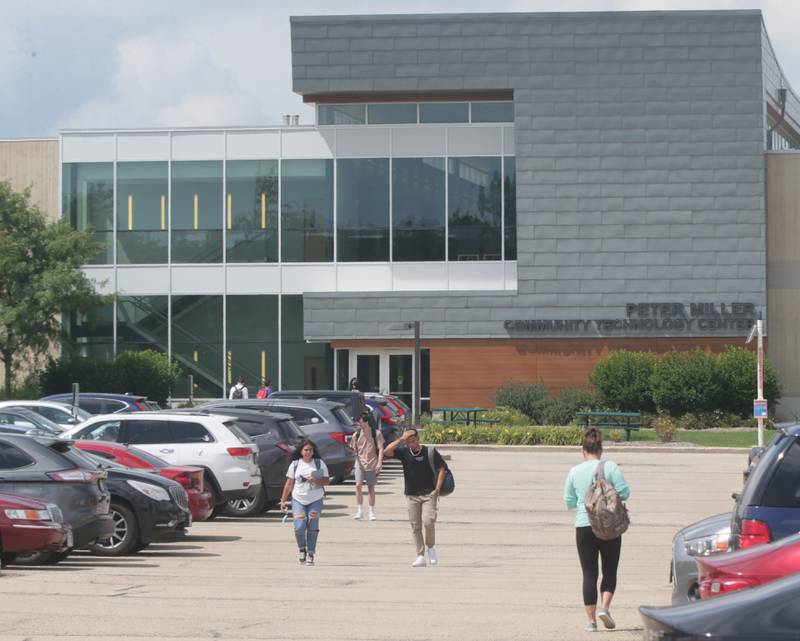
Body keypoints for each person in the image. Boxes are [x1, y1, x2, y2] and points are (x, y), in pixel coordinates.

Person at [563, 427, 630, 632]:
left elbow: (569, 502)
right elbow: (625, 493)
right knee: (610, 570)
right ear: (601, 450)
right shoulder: (610, 467)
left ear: (582, 450)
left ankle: (591, 622)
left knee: (589, 573)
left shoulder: (574, 471)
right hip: (609, 526)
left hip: (584, 526)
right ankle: (605, 608)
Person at [383, 428, 446, 567]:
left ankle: (431, 548)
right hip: (411, 495)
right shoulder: (404, 452)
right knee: (415, 526)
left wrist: (437, 489)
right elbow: (386, 452)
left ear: (418, 439)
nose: (412, 444)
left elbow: (442, 469)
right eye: (409, 442)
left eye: (413, 441)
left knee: (428, 521)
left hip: (429, 494)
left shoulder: (429, 452)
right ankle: (420, 556)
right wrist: (400, 439)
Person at [280, 439, 330, 566]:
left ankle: (311, 553)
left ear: (313, 452)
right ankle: (302, 549)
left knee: (313, 526)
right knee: (299, 526)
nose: (308, 452)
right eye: (306, 450)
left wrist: (315, 480)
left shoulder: (319, 463)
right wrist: (283, 500)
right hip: (298, 499)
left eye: (310, 450)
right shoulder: (295, 464)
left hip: (315, 499)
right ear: (301, 451)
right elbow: (289, 483)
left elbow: (326, 481)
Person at [350, 410, 385, 521]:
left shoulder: (376, 433)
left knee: (371, 488)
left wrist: (379, 463)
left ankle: (371, 511)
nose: (359, 424)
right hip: (359, 464)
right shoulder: (356, 434)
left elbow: (381, 449)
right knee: (358, 485)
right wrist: (354, 453)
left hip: (372, 464)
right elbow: (353, 449)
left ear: (366, 422)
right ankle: (359, 510)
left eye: (360, 422)